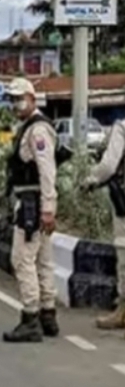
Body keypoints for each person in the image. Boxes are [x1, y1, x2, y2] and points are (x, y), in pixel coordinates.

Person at [2, 78, 60, 343]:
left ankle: (31, 317)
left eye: (19, 98)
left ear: (32, 98)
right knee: (43, 260)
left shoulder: (37, 130)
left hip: (32, 202)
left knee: (22, 259)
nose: (15, 104)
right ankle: (48, 314)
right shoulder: (29, 126)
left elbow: (47, 170)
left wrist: (48, 208)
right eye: (12, 99)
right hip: (34, 200)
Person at [86, 117, 125, 332]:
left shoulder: (122, 127)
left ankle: (122, 313)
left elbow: (109, 166)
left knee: (124, 254)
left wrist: (91, 180)